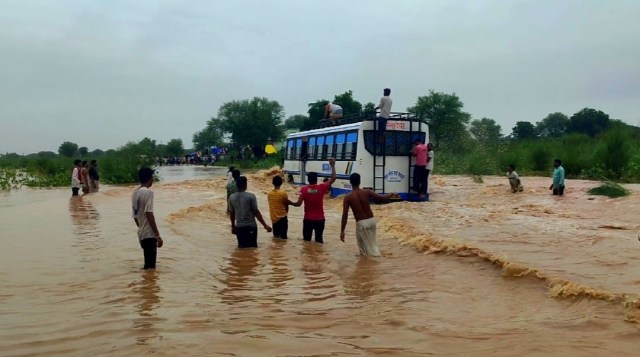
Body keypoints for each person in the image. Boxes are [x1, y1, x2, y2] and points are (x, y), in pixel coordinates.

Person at [340, 173, 392, 256]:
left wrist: (342, 231)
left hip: (361, 223)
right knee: (373, 244)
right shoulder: (367, 192)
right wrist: (391, 194)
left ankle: (369, 266)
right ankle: (376, 262)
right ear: (360, 181)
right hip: (372, 221)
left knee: (364, 252)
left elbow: (345, 215)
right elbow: (382, 198)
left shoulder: (348, 197)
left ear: (350, 182)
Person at [290, 159, 336, 243]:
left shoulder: (304, 190)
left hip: (308, 220)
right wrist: (332, 165)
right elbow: (333, 178)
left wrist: (289, 202)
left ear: (308, 180)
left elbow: (298, 204)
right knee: (319, 242)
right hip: (320, 220)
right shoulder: (321, 188)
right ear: (316, 179)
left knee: (306, 242)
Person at [131, 167, 163, 270]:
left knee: (147, 266)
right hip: (149, 234)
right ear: (150, 178)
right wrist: (157, 235)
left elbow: (135, 216)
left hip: (141, 234)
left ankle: (146, 285)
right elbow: (149, 213)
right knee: (151, 268)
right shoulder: (148, 192)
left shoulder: (135, 193)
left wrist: (141, 228)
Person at [228, 176, 272, 248]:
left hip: (239, 227)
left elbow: (232, 213)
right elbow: (256, 212)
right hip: (250, 226)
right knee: (252, 249)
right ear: (246, 185)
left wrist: (233, 227)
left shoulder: (231, 197)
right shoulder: (251, 196)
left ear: (236, 185)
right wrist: (265, 225)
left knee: (241, 249)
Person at [267, 175, 290, 240]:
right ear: (281, 183)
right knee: (283, 239)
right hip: (283, 218)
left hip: (274, 219)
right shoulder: (283, 193)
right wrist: (286, 213)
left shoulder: (269, 194)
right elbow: (286, 205)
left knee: (276, 238)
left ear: (272, 183)